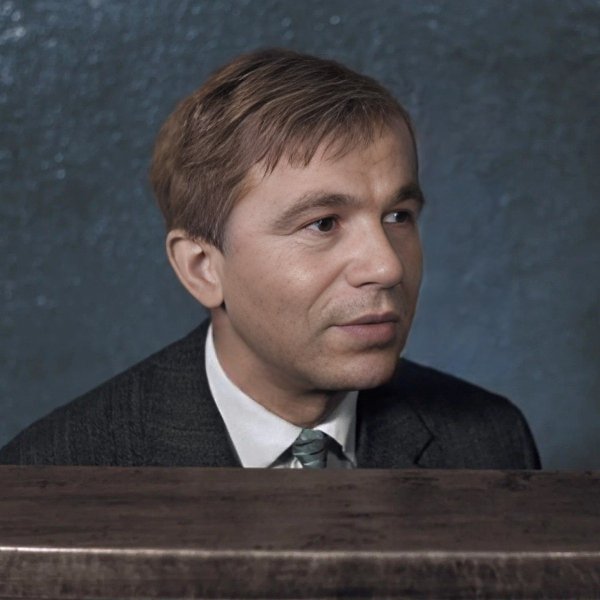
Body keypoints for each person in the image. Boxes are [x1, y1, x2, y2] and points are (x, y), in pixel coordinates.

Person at [0, 48, 540, 469]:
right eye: (323, 223)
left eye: (398, 215)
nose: (387, 267)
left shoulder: (491, 442)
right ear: (202, 268)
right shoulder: (54, 473)